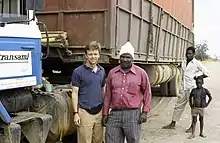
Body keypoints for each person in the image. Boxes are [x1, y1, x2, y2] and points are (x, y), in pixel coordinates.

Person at [102, 41, 152, 143]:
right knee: (111, 140)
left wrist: (145, 112)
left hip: (133, 114)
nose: (125, 59)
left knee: (133, 140)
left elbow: (147, 92)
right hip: (115, 114)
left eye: (128, 57)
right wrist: (105, 113)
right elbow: (108, 95)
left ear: (132, 59)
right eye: (123, 57)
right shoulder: (112, 73)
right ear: (119, 58)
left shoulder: (141, 73)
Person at [162, 46, 210, 132]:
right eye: (187, 53)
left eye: (190, 54)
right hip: (183, 87)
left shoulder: (196, 63)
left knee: (193, 108)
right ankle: (173, 123)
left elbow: (206, 72)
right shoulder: (183, 62)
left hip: (192, 88)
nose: (188, 55)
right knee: (178, 105)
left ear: (193, 54)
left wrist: (198, 77)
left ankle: (192, 126)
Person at [71, 41, 106, 143]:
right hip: (85, 113)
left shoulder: (102, 71)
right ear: (86, 55)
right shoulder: (78, 72)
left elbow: (103, 90)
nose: (93, 57)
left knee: (98, 141)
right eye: (90, 54)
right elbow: (74, 93)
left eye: (95, 54)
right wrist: (76, 113)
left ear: (99, 55)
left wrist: (105, 109)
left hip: (99, 112)